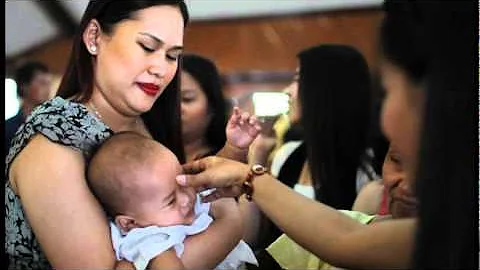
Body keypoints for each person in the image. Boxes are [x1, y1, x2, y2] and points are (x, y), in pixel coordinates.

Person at [176, 1, 476, 269]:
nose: (385, 118)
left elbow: (347, 241)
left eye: (389, 89)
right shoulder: (451, 232)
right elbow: (346, 239)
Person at [5, 1, 257, 269]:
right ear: (94, 38)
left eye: (172, 56)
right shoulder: (54, 144)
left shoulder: (144, 119)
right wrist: (228, 228)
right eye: (147, 47)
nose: (161, 68)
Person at [244, 44, 374, 249]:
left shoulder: (366, 171)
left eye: (297, 79)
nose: (288, 91)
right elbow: (251, 236)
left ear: (325, 88)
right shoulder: (288, 154)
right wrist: (258, 152)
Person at [87, 131, 258, 269]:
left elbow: (222, 182)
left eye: (183, 183)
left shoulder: (168, 207)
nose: (186, 199)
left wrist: (234, 149)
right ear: (130, 223)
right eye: (170, 202)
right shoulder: (150, 237)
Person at [181, 54, 229, 162]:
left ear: (212, 106)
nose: (176, 108)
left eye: (187, 99)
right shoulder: (148, 155)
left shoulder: (230, 158)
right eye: (167, 100)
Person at [5, 61, 52, 156]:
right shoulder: (8, 128)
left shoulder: (52, 124)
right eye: (42, 83)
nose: (47, 89)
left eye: (48, 84)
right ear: (24, 86)